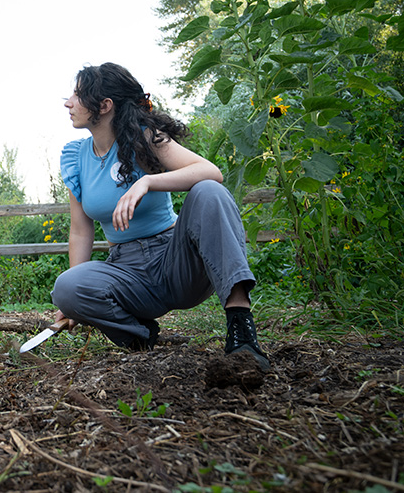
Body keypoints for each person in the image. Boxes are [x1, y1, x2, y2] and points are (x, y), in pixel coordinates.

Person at [50, 63, 269, 370]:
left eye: (77, 95)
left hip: (178, 262)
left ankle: (241, 329)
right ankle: (139, 337)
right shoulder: (76, 157)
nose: (68, 102)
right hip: (128, 274)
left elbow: (210, 172)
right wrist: (74, 304)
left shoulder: (145, 138)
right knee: (65, 287)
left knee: (209, 191)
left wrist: (148, 181)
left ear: (104, 106)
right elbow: (80, 232)